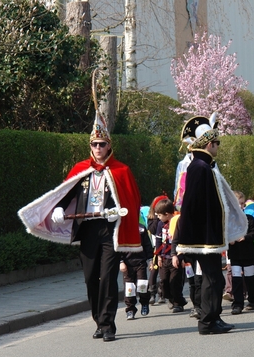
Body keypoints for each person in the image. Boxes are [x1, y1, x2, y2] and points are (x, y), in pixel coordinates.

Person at [18, 113, 142, 342]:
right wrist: (59, 208)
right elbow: (66, 192)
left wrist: (119, 212)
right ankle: (98, 320)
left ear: (109, 146)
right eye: (94, 144)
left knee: (107, 277)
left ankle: (108, 325)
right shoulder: (81, 168)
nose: (97, 148)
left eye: (101, 144)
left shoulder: (121, 170)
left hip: (110, 230)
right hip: (87, 230)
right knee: (90, 277)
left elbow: (131, 201)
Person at [172, 112, 248, 335]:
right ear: (208, 144)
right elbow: (195, 206)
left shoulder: (205, 166)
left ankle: (214, 316)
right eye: (216, 143)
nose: (218, 146)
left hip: (208, 236)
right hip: (203, 238)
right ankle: (207, 321)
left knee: (215, 277)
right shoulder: (199, 168)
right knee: (211, 277)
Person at [228, 191, 254, 315]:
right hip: (235, 254)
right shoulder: (229, 221)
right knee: (236, 279)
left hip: (248, 254)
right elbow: (225, 235)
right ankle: (237, 303)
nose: (240, 206)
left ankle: (253, 300)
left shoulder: (249, 218)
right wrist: (229, 241)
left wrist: (245, 238)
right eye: (237, 204)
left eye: (242, 204)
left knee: (250, 278)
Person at [154, 198, 187, 313]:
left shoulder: (177, 221)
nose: (158, 217)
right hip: (164, 257)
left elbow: (181, 240)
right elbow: (158, 241)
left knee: (175, 281)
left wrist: (181, 257)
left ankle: (178, 303)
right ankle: (171, 298)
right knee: (163, 281)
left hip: (175, 257)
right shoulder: (160, 224)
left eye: (159, 215)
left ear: (167, 214)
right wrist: (158, 256)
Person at [119, 220, 154, 320]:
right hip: (127, 264)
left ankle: (144, 303)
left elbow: (147, 245)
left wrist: (150, 260)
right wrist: (121, 261)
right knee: (129, 288)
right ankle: (130, 309)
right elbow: (118, 248)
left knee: (142, 286)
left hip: (140, 262)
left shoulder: (141, 228)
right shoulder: (121, 230)